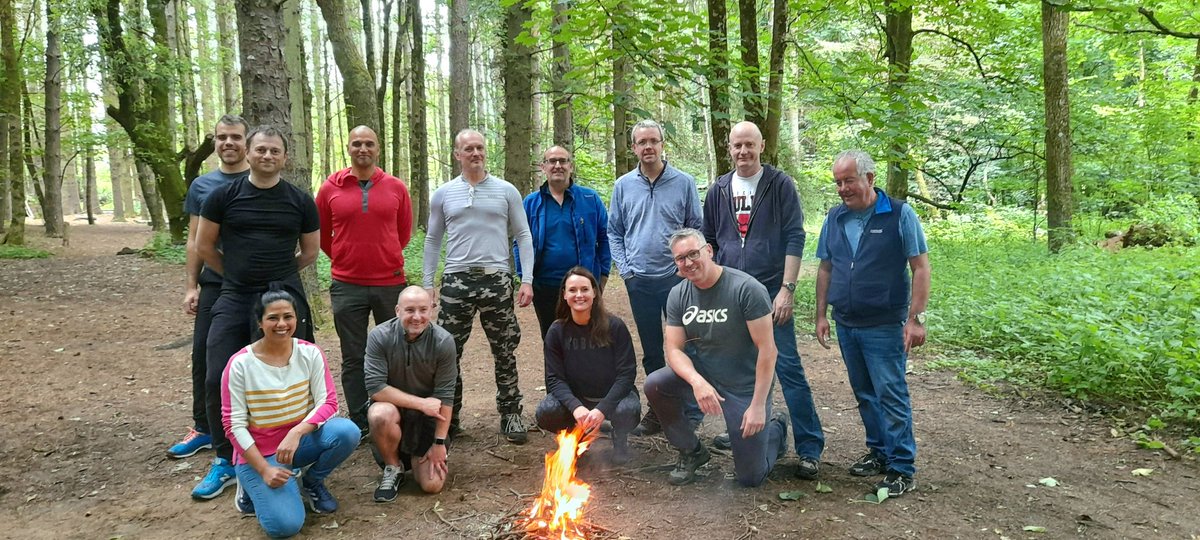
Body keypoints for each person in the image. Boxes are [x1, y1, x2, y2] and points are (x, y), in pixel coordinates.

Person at [194, 125, 321, 500]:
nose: (268, 156)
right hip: (233, 294)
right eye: (261, 150)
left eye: (275, 151)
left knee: (295, 374)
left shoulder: (299, 200)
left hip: (284, 297)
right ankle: (226, 460)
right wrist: (236, 274)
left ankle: (294, 454)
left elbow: (310, 252)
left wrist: (278, 279)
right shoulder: (221, 196)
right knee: (218, 374)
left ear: (285, 157)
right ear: (248, 153)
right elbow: (204, 246)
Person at [701, 121, 825, 480]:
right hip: (731, 295)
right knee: (737, 369)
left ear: (762, 146)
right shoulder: (719, 189)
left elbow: (794, 237)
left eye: (749, 145)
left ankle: (809, 447)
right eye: (737, 145)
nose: (743, 152)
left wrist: (787, 288)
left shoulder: (779, 184)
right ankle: (743, 428)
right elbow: (710, 242)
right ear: (729, 148)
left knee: (787, 368)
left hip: (771, 295)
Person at [814, 150, 929, 497]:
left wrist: (915, 318)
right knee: (865, 393)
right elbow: (826, 268)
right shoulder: (835, 218)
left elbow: (920, 267)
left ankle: (901, 467)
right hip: (847, 321)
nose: (843, 188)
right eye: (838, 182)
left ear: (869, 178)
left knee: (890, 394)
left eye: (849, 180)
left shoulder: (898, 214)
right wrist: (820, 314)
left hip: (884, 323)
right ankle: (878, 452)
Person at [644, 229, 787, 487]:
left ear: (708, 251)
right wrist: (697, 382)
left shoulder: (746, 289)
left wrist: (757, 405)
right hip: (706, 376)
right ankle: (691, 451)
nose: (688, 263)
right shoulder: (678, 294)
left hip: (744, 385)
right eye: (680, 259)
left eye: (693, 254)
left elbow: (768, 350)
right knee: (655, 383)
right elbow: (674, 349)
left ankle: (775, 428)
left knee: (750, 477)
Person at [422, 129, 535, 444]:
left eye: (480, 148)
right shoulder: (444, 193)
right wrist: (427, 283)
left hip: (496, 278)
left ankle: (511, 414)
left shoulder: (505, 190)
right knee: (447, 352)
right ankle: (449, 418)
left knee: (505, 349)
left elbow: (523, 235)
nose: (475, 153)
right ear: (457, 154)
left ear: (486, 152)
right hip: (456, 280)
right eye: (468, 148)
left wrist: (526, 279)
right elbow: (432, 239)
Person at [222, 290, 360, 538]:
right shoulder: (240, 364)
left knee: (347, 431)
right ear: (259, 322)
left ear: (298, 318)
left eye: (289, 316)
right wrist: (264, 470)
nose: (282, 324)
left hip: (298, 443)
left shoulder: (309, 353)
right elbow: (233, 425)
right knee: (285, 526)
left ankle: (312, 482)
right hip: (260, 452)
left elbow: (328, 402)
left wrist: (297, 431)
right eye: (273, 318)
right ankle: (249, 484)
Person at [607, 119, 703, 435]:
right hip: (640, 280)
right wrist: (627, 270)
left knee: (686, 344)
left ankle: (690, 410)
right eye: (641, 141)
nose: (648, 147)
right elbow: (615, 231)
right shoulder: (623, 185)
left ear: (663, 144)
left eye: (653, 140)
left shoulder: (684, 182)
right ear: (633, 147)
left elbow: (696, 227)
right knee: (651, 349)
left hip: (677, 279)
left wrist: (687, 267)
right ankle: (659, 409)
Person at [316, 125, 413, 435]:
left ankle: (398, 413)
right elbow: (322, 236)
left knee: (397, 352)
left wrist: (382, 255)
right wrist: (346, 259)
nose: (362, 149)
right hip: (347, 285)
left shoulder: (396, 187)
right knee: (353, 355)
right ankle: (360, 421)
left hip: (390, 283)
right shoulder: (330, 188)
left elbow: (403, 232)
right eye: (356, 143)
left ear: (378, 149)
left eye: (369, 143)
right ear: (348, 147)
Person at [170, 115, 251, 459]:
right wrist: (191, 286)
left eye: (235, 137)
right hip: (215, 285)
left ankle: (255, 428)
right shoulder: (202, 186)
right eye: (221, 137)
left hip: (255, 284)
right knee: (204, 357)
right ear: (215, 142)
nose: (228, 143)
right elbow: (193, 241)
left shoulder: (261, 178)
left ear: (247, 142)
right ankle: (203, 427)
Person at [535, 267, 640, 464]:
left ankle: (619, 438)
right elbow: (554, 379)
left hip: (612, 398)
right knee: (546, 411)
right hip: (577, 400)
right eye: (572, 290)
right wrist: (576, 408)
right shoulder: (557, 331)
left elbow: (626, 375)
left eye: (584, 289)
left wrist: (602, 409)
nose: (579, 295)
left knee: (628, 409)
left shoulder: (615, 326)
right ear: (564, 295)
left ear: (594, 293)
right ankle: (573, 437)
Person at [364, 287, 457, 501]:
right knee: (379, 413)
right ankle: (393, 467)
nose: (417, 317)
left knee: (431, 486)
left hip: (428, 419)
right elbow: (376, 387)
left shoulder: (443, 341)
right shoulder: (379, 336)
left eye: (423, 310)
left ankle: (419, 457)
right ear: (397, 310)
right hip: (395, 412)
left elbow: (446, 395)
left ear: (432, 310)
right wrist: (422, 403)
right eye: (410, 310)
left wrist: (439, 443)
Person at [517, 146, 611, 338]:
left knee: (586, 337)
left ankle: (585, 369)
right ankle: (555, 370)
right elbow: (519, 241)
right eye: (552, 161)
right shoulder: (531, 203)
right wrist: (525, 277)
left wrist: (601, 279)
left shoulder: (589, 199)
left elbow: (605, 238)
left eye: (563, 161)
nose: (558, 166)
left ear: (571, 166)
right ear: (543, 167)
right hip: (545, 285)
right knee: (552, 337)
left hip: (583, 286)